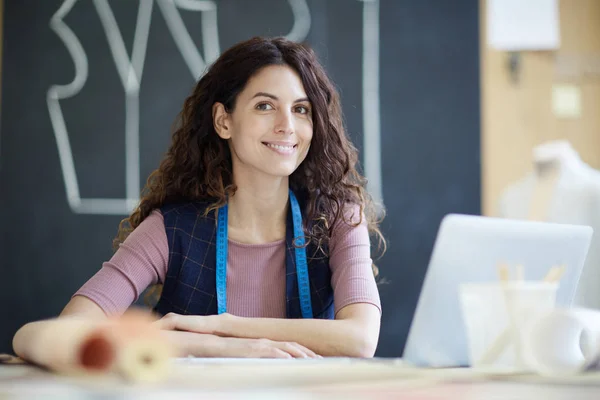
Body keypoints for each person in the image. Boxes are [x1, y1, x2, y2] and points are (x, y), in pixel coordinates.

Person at [13, 36, 385, 360]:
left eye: (300, 109)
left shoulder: (337, 220)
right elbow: (46, 336)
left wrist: (223, 327)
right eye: (264, 106)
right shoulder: (170, 230)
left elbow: (360, 338)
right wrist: (206, 346)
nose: (287, 125)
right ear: (224, 121)